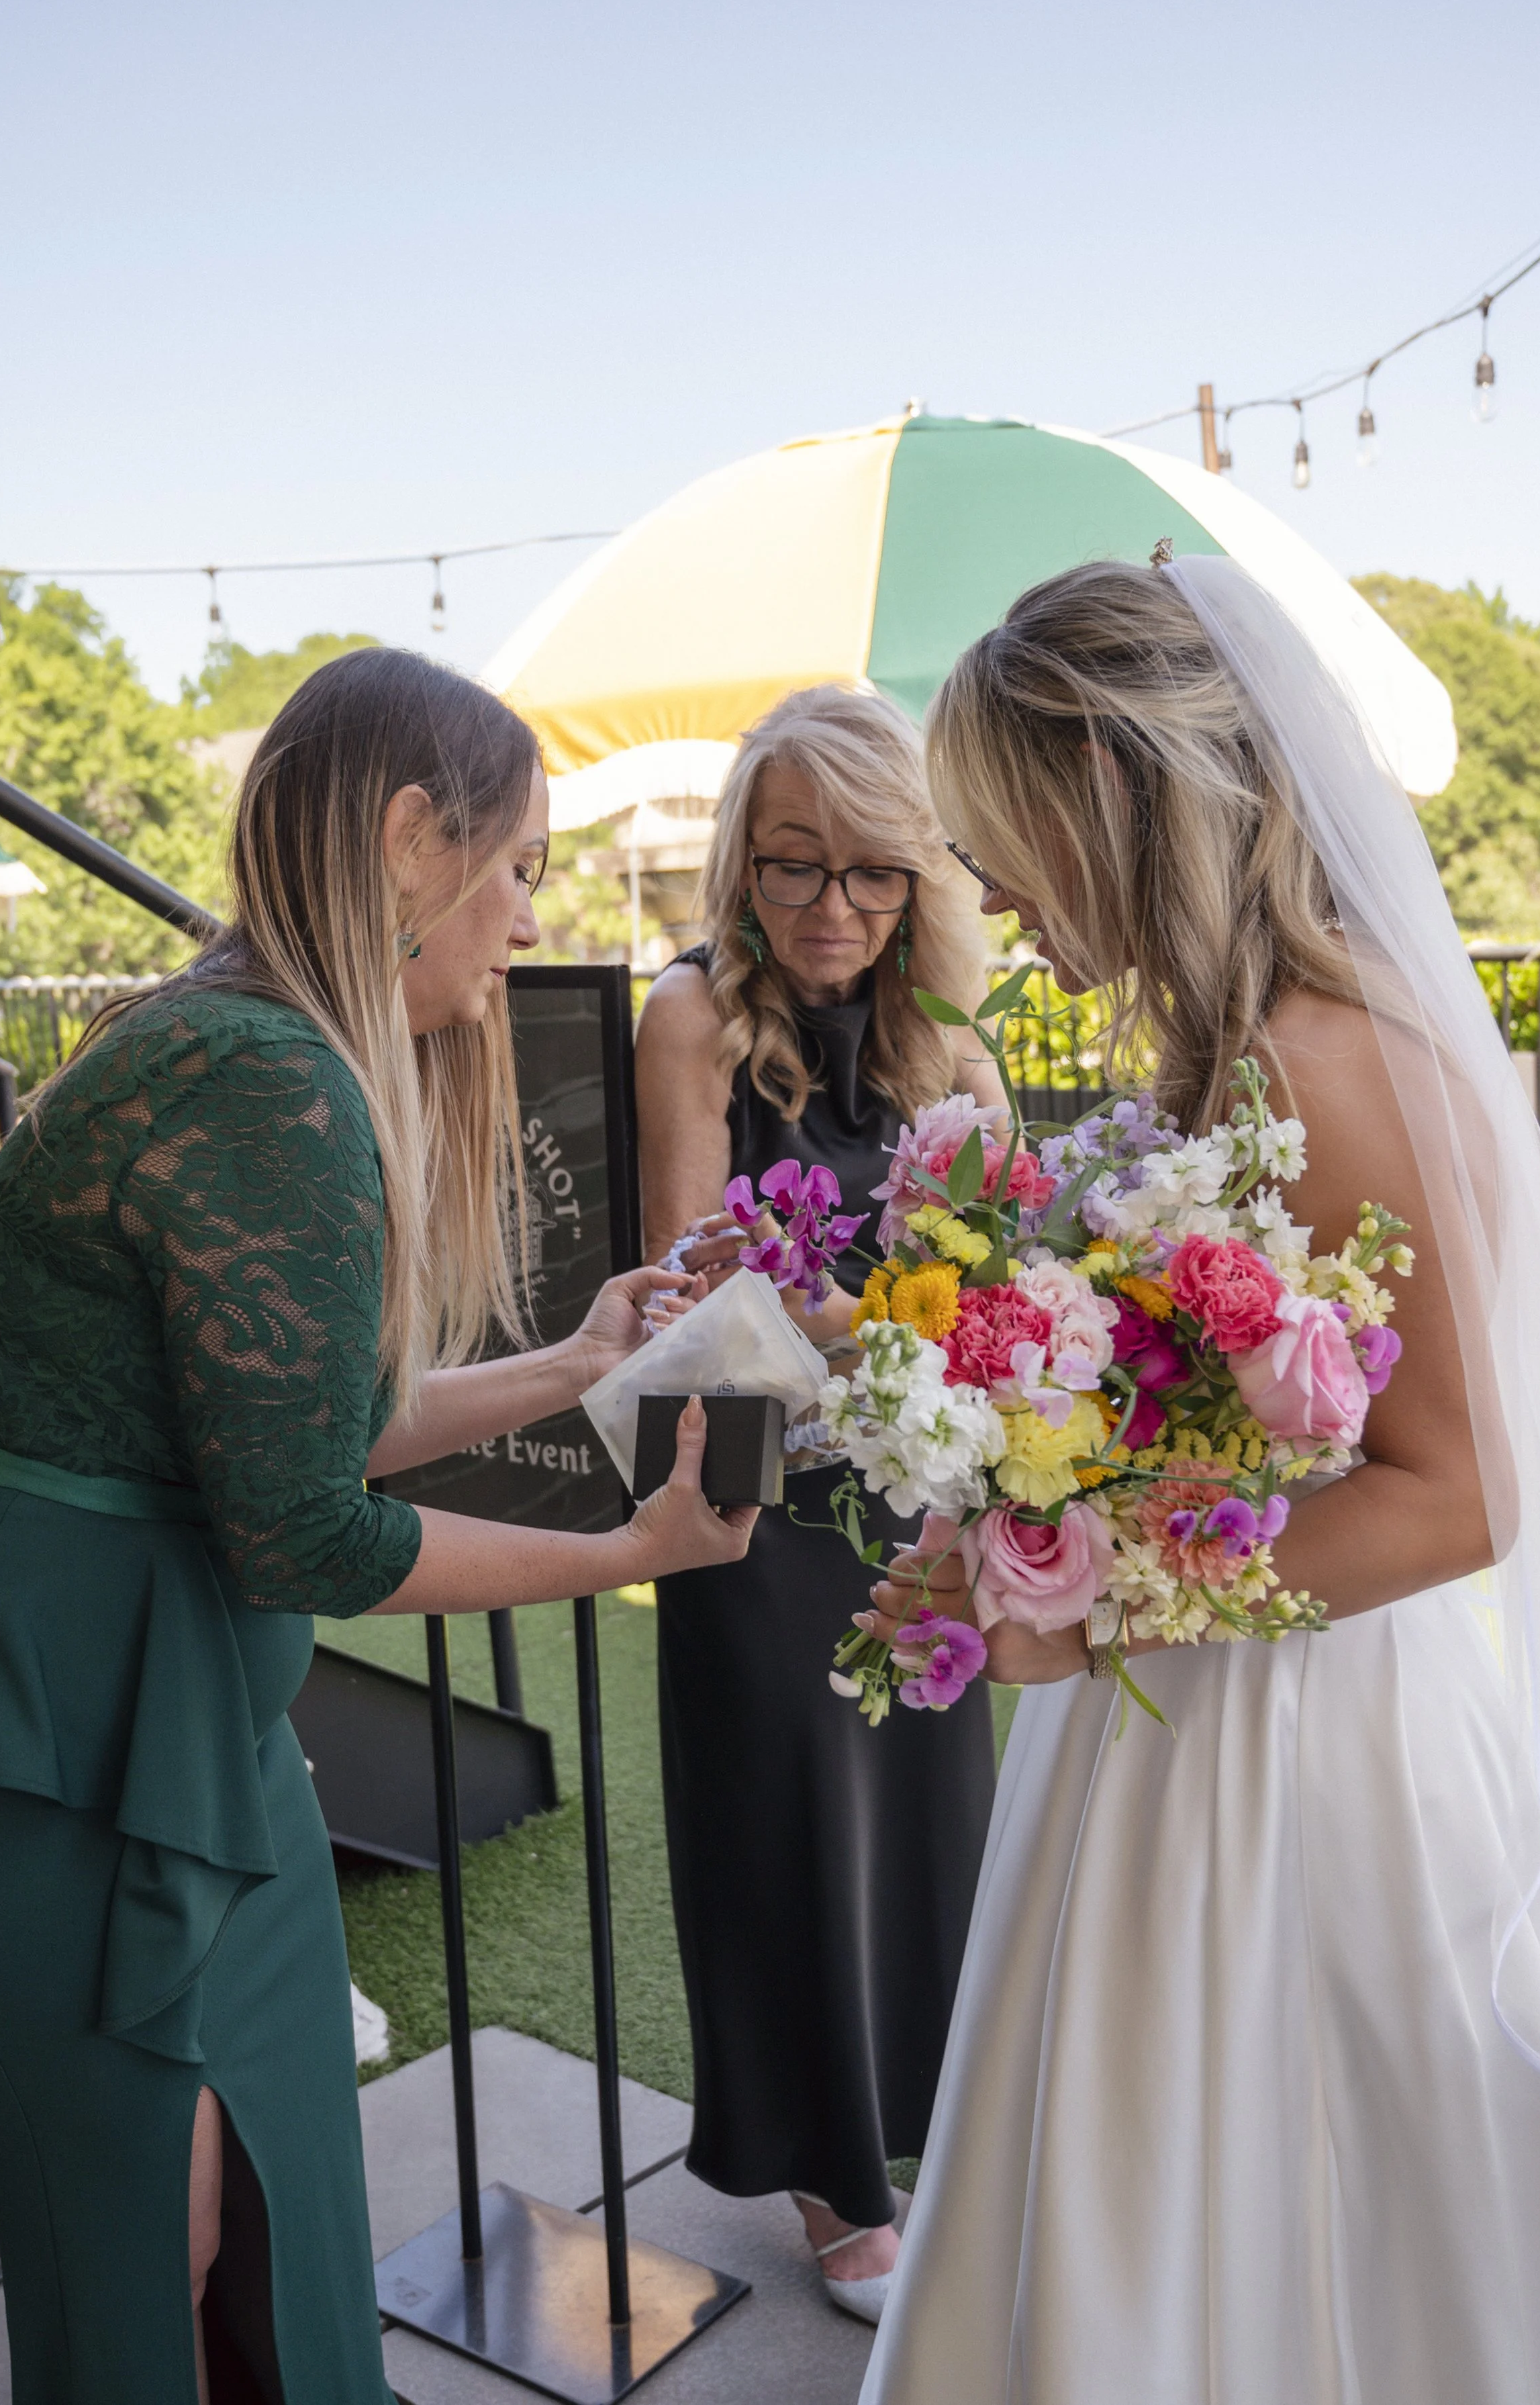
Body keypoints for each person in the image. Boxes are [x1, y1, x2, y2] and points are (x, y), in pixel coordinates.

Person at [0, 649, 755, 2405]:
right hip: (55, 1736)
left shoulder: (248, 1042)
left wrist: (573, 1359)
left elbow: (311, 1431)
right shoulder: (268, 1080)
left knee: (251, 2235)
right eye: (519, 863)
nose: (531, 912)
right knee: (153, 2265)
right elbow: (310, 1532)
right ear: (403, 841)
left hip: (175, 1715)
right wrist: (626, 1556)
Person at [858, 556, 1540, 2404]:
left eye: (1001, 836)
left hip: (1295, 1757)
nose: (990, 895)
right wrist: (1008, 1513)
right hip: (1179, 1721)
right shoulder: (1225, 1058)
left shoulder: (1318, 1063)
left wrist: (1083, 1592)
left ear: (1113, 785)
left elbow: (1458, 1493)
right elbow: (1198, 1424)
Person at [634, 684, 1002, 2323]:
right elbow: (691, 1297)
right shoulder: (692, 1018)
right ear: (742, 862)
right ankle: (837, 2191)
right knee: (787, 1828)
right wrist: (869, 1342)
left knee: (935, 1825)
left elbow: (993, 1287)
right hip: (761, 1500)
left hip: (924, 1497)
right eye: (792, 868)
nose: (830, 911)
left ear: (921, 878)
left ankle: (943, 2146)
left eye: (869, 873)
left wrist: (951, 1406)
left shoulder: (960, 1043)